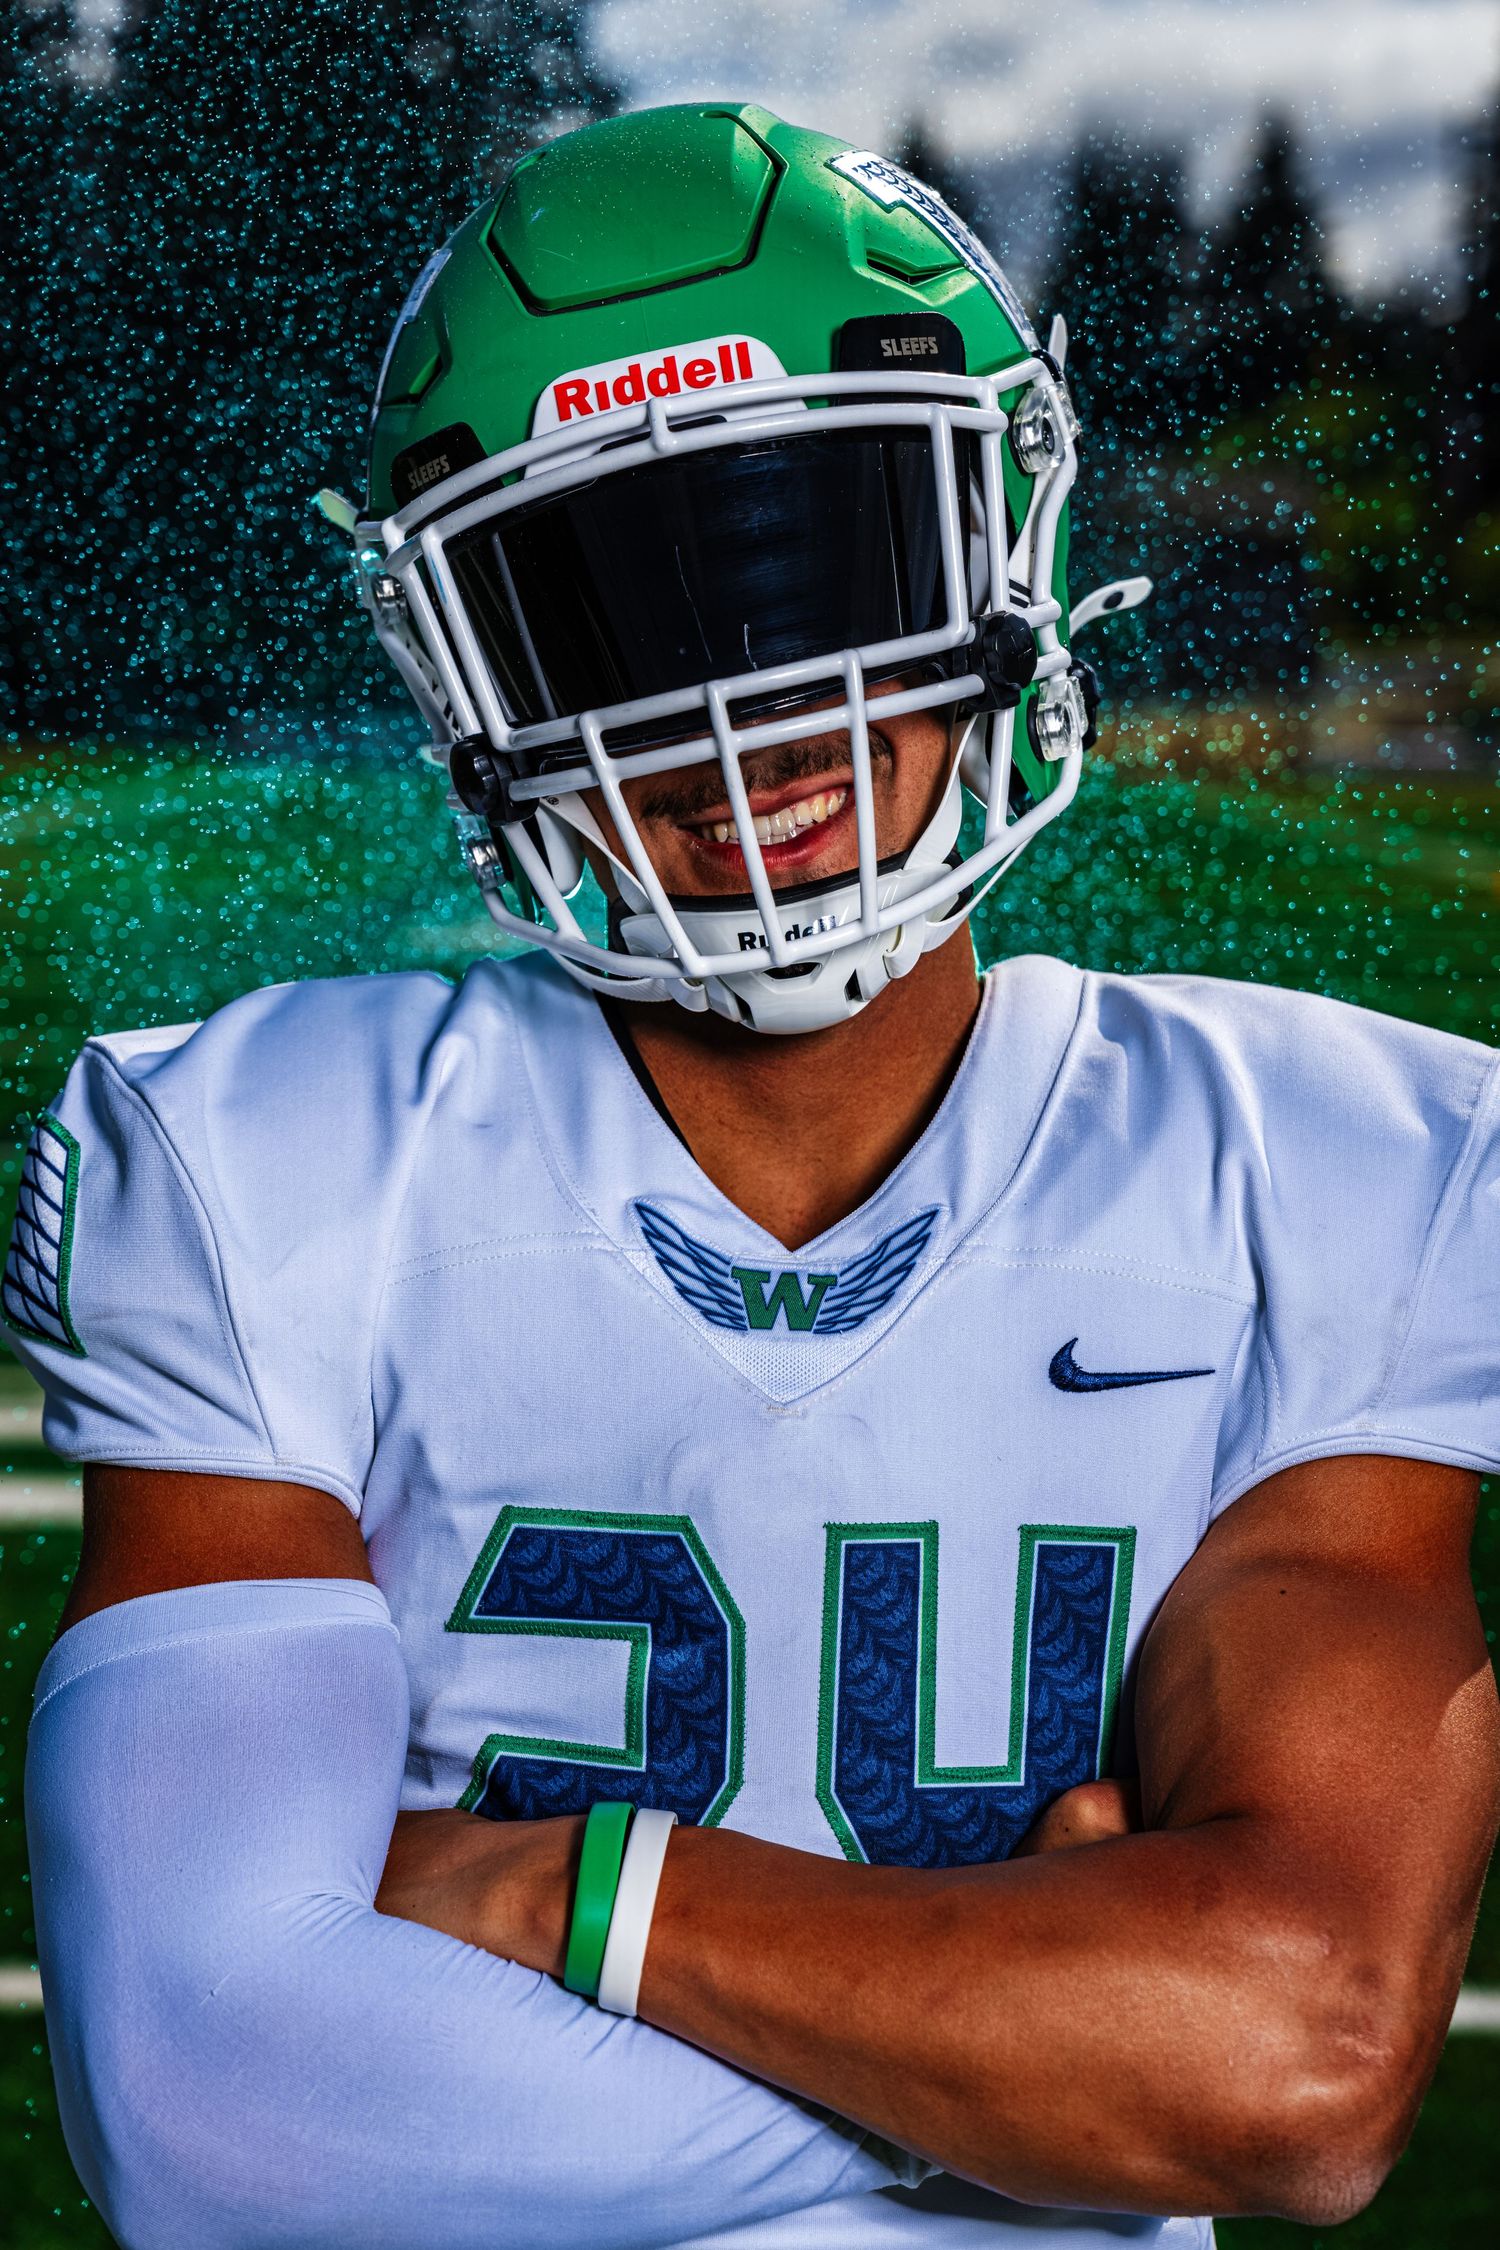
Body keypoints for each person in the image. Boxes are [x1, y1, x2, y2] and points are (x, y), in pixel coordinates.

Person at [10, 103, 1498, 2250]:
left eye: (818, 556)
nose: (746, 712)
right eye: (605, 602)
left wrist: (564, 1890)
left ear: (1000, 539)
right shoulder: (258, 1165)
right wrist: (1040, 2054)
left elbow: (1295, 2069)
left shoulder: (1344, 1175)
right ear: (467, 674)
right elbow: (210, 2099)